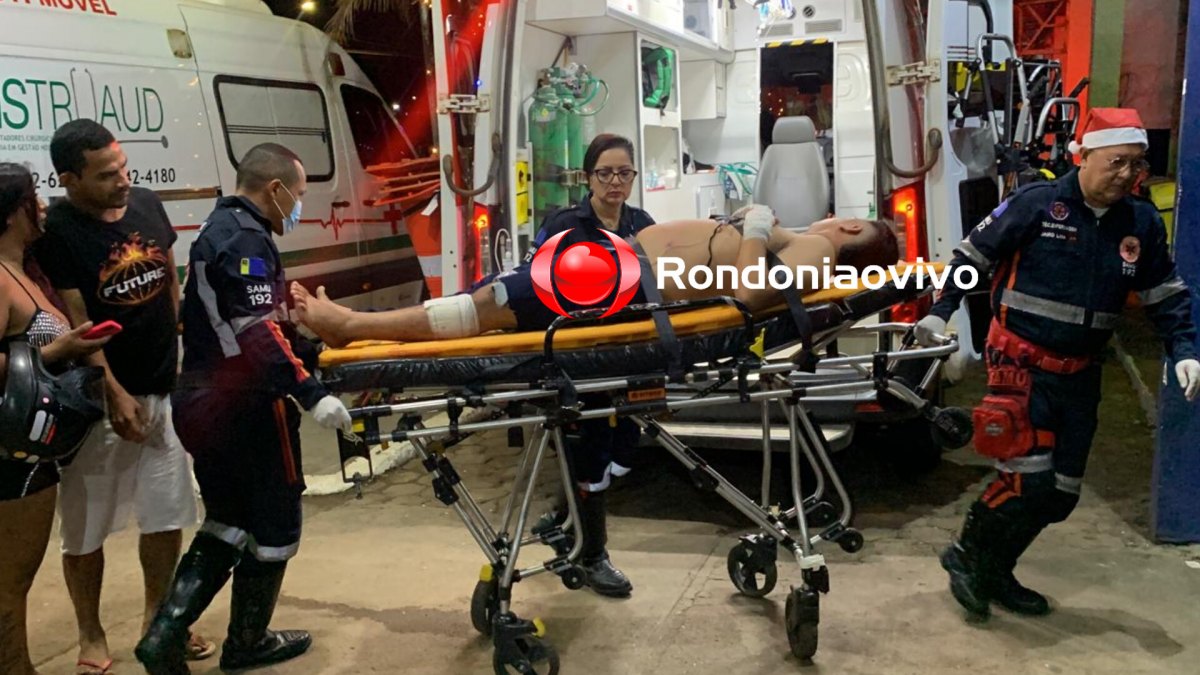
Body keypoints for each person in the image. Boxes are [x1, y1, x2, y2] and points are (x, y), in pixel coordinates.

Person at [914, 108, 1200, 619]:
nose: (1127, 174)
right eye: (1116, 161)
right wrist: (941, 310)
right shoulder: (1037, 204)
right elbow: (971, 259)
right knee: (1028, 482)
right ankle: (968, 554)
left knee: (1061, 495)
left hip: (1081, 374)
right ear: (1083, 156)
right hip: (1020, 365)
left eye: (1136, 164)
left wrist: (1185, 350)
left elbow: (1165, 294)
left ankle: (996, 569)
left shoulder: (1140, 223)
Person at [135, 143, 352, 674]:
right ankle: (248, 642)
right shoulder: (246, 239)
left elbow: (251, 323)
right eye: (297, 195)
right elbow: (254, 333)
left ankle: (163, 636)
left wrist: (308, 346)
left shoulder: (218, 229)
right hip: (244, 404)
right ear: (274, 189)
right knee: (276, 524)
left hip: (202, 402)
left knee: (228, 520)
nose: (298, 206)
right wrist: (311, 393)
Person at [34, 120, 208, 674]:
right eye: (107, 175)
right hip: (97, 404)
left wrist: (177, 348)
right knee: (85, 527)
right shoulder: (59, 231)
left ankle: (158, 620)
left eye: (124, 167)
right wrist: (113, 392)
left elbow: (169, 276)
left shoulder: (148, 204)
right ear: (69, 180)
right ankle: (90, 633)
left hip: (161, 389)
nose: (123, 181)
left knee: (165, 513)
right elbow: (78, 320)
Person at [291, 208, 899, 346]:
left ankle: (351, 327)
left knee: (493, 302)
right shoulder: (810, 246)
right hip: (618, 267)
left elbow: (746, 295)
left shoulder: (819, 252)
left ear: (849, 230)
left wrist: (759, 230)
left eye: (842, 218)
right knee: (494, 297)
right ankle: (356, 324)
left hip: (625, 282)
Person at [520, 133, 655, 598]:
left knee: (624, 450)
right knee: (591, 452)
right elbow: (531, 283)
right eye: (605, 173)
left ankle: (561, 520)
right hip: (578, 357)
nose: (615, 182)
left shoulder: (641, 224)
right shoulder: (565, 226)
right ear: (588, 177)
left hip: (628, 353)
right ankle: (591, 554)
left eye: (624, 173)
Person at [0, 163, 112, 675]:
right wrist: (55, 352)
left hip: (30, 453)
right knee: (10, 582)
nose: (42, 206)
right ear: (12, 212)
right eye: (33, 198)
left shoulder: (21, 270)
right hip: (11, 456)